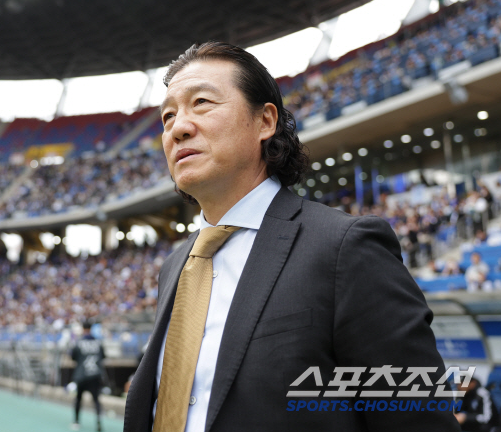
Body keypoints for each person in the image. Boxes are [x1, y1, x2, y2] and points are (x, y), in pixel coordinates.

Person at [124, 42, 459, 432]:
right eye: (167, 117)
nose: (178, 127)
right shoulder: (174, 267)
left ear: (265, 121)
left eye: (201, 103)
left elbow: (419, 421)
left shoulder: (345, 247)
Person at [70, 320, 105, 431]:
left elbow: (73, 357)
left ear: (83, 328)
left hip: (82, 375)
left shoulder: (78, 342)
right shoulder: (98, 342)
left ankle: (76, 421)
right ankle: (99, 421)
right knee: (96, 400)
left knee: (78, 398)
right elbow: (103, 356)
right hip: (95, 375)